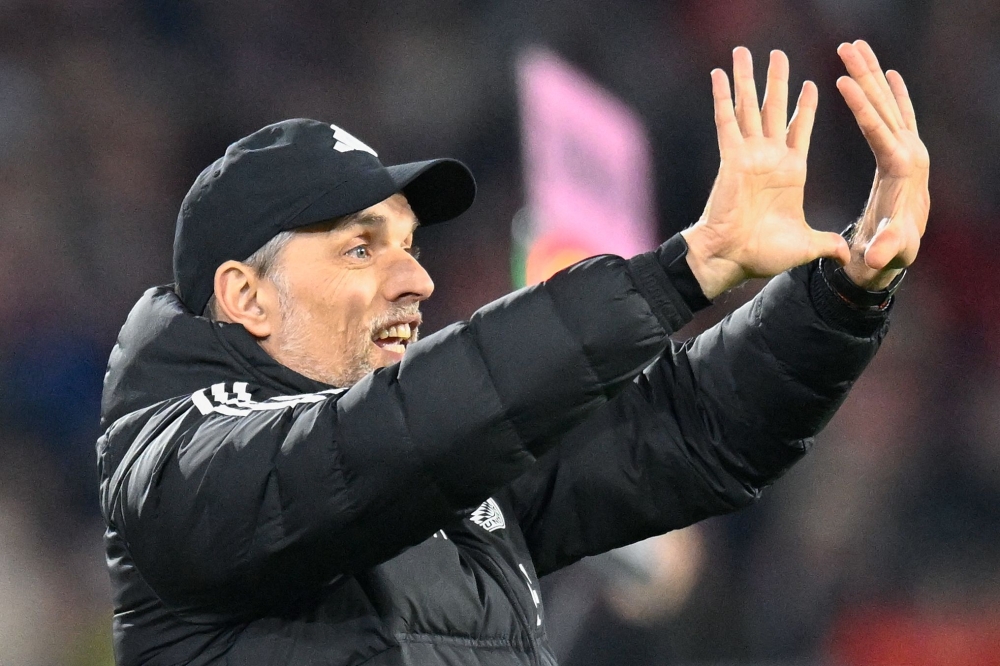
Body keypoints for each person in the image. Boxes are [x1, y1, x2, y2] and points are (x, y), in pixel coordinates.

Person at [97, 41, 928, 665]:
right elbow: (370, 450)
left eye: (411, 245)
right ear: (245, 295)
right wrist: (684, 271)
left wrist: (845, 291)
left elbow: (686, 427)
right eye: (361, 250)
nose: (415, 278)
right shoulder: (174, 466)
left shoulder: (453, 480)